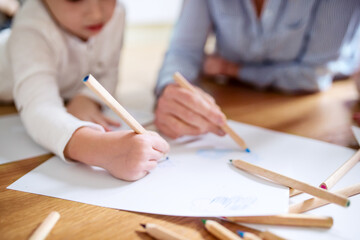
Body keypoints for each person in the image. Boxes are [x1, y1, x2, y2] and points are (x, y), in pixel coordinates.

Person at [0, 0, 169, 181]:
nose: (96, 14)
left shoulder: (117, 13)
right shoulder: (29, 27)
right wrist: (101, 148)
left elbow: (109, 72)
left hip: (61, 91)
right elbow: (39, 107)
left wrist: (87, 98)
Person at [155, 0, 360, 139]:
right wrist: (171, 89)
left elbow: (313, 76)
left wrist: (233, 69)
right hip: (232, 91)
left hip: (319, 94)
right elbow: (183, 50)